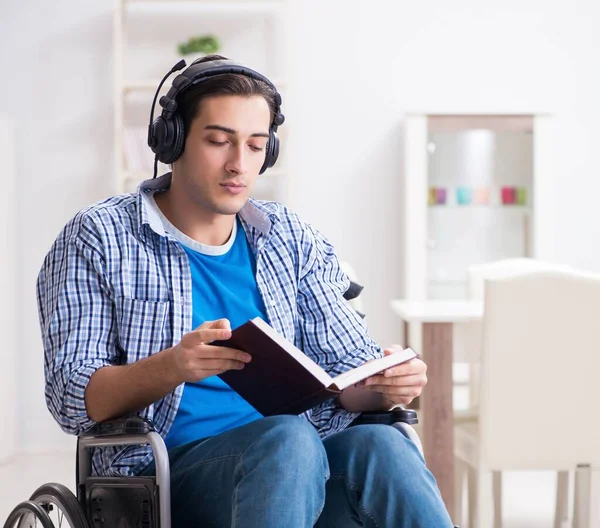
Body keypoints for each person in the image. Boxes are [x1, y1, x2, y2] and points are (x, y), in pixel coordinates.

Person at [37, 54, 453, 527]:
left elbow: (346, 374)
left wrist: (382, 386)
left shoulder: (287, 235)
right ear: (172, 140)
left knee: (383, 443)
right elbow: (72, 397)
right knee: (287, 440)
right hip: (166, 481)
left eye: (256, 146)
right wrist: (172, 366)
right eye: (219, 141)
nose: (239, 164)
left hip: (299, 467)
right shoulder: (99, 236)